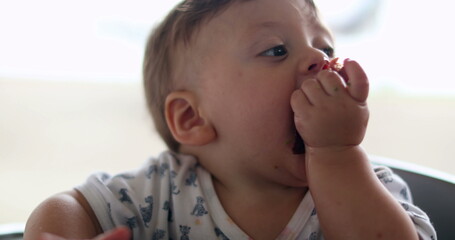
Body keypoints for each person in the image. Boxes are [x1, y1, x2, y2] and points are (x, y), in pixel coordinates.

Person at [24, 0, 437, 239]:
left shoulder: (365, 188)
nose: (320, 60)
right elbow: (68, 206)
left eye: (325, 48)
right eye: (276, 49)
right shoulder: (162, 193)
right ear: (191, 118)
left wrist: (337, 155)